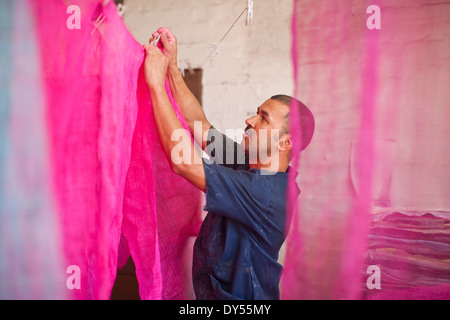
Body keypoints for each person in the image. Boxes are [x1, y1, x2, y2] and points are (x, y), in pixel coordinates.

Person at [143, 28, 314, 300]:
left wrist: (155, 85)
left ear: (285, 143)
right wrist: (172, 68)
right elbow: (198, 124)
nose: (249, 121)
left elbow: (183, 163)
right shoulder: (251, 165)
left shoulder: (266, 192)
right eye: (256, 114)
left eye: (263, 118)